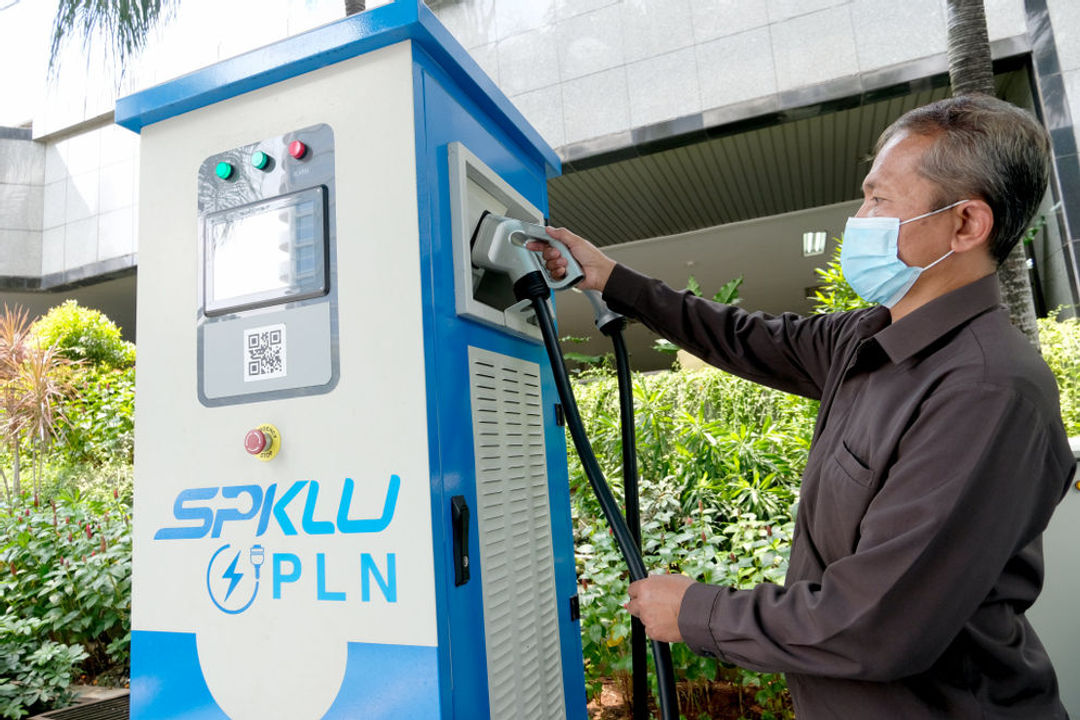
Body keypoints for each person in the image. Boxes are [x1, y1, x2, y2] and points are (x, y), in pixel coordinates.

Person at [533, 95, 1074, 719]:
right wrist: (611, 279)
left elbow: (875, 623)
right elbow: (744, 336)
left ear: (966, 225)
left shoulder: (985, 391)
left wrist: (694, 611)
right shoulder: (866, 338)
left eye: (879, 200)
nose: (860, 217)